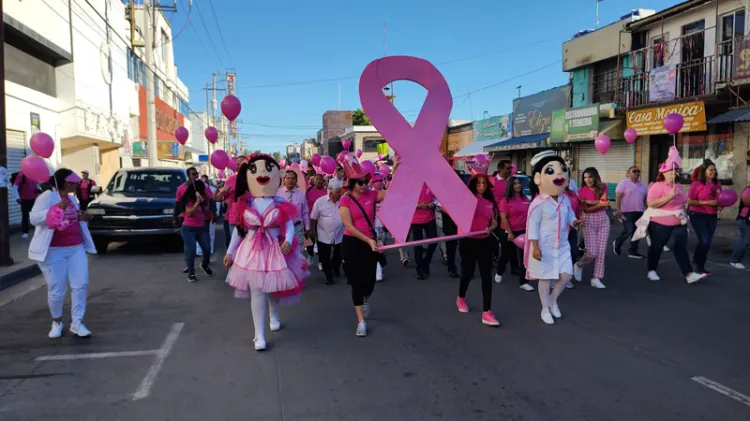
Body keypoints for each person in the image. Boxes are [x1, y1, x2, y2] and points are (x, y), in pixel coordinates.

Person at [224, 153, 308, 351]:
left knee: (272, 289)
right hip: (251, 251)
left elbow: (288, 224)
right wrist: (230, 251)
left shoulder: (279, 202)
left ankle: (274, 315)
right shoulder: (245, 203)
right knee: (257, 290)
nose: (262, 174)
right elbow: (239, 230)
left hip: (274, 250)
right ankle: (259, 335)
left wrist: (288, 239)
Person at [28, 169, 97, 338]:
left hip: (76, 248)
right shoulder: (47, 197)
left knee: (80, 284)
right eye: (74, 183)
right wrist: (52, 209)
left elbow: (71, 218)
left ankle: (77, 322)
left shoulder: (73, 199)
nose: (76, 185)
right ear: (66, 182)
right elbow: (33, 218)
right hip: (53, 250)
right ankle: (57, 322)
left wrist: (83, 217)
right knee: (57, 289)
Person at [632, 147, 707, 284]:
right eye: (671, 171)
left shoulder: (678, 186)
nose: (674, 173)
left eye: (675, 171)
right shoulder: (656, 186)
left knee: (680, 247)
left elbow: (681, 202)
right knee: (657, 247)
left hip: (678, 223)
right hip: (659, 224)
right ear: (663, 173)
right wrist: (668, 196)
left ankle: (689, 274)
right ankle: (652, 270)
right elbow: (651, 203)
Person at [524, 150, 583, 325]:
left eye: (562, 169)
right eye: (550, 171)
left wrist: (575, 222)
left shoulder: (565, 200)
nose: (558, 173)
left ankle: (552, 301)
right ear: (538, 179)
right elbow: (532, 227)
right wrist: (535, 248)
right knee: (546, 277)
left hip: (562, 244)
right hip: (544, 246)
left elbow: (570, 216)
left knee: (566, 276)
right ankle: (545, 308)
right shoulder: (538, 203)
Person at [338, 154, 387, 337]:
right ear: (351, 183)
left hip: (370, 244)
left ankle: (365, 299)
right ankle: (361, 322)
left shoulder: (372, 195)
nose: (364, 185)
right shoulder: (345, 200)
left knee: (370, 281)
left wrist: (396, 169)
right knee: (356, 282)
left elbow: (392, 192)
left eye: (365, 181)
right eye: (359, 182)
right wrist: (367, 240)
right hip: (353, 244)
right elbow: (348, 225)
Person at [455, 172, 500, 327]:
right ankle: (461, 297)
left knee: (486, 275)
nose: (481, 185)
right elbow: (457, 213)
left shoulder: (490, 202)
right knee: (468, 272)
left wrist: (490, 228)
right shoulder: (467, 199)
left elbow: (494, 222)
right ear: (474, 184)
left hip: (484, 241)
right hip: (468, 241)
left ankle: (487, 311)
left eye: (484, 183)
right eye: (478, 182)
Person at [574, 168, 610, 289]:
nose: (588, 180)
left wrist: (590, 202)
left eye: (590, 177)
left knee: (601, 252)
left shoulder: (603, 186)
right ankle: (579, 265)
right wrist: (598, 203)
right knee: (592, 252)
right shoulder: (581, 190)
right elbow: (586, 210)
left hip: (603, 220)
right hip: (588, 220)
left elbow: (604, 201)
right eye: (585, 177)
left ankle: (596, 278)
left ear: (595, 176)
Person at [498, 176, 533, 291]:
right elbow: (504, 218)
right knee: (506, 255)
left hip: (523, 231)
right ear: (510, 186)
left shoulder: (525, 198)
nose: (518, 185)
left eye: (519, 183)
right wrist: (510, 233)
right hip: (509, 231)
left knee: (524, 256)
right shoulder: (505, 201)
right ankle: (499, 272)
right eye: (515, 184)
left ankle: (523, 282)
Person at [687, 160, 722, 274]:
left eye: (715, 170)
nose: (714, 172)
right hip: (697, 215)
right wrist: (706, 203)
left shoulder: (717, 184)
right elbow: (690, 201)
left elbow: (720, 199)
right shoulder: (697, 184)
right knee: (704, 241)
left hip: (712, 216)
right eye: (711, 170)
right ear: (704, 171)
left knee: (706, 242)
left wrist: (721, 205)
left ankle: (700, 265)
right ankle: (697, 265)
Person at [311, 178, 345, 284]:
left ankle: (335, 268)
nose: (340, 194)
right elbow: (313, 218)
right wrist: (312, 230)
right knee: (324, 257)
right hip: (323, 233)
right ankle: (329, 277)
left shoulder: (344, 200)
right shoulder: (320, 202)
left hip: (340, 233)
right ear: (330, 191)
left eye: (341, 191)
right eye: (338, 192)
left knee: (339, 255)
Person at [179, 180, 214, 282]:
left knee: (207, 248)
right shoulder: (188, 199)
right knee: (192, 251)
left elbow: (206, 210)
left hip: (201, 228)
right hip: (189, 228)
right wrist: (197, 203)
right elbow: (189, 212)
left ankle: (204, 265)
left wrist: (206, 200)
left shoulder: (203, 198)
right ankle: (191, 273)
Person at [492, 160, 518, 283]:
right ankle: (497, 264)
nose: (510, 170)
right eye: (508, 168)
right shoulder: (493, 182)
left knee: (512, 243)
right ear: (500, 169)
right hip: (496, 217)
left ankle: (514, 268)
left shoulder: (512, 181)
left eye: (510, 168)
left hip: (511, 217)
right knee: (504, 242)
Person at [614, 166, 647, 258]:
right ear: (628, 173)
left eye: (638, 171)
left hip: (640, 211)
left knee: (638, 232)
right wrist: (618, 209)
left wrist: (649, 210)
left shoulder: (643, 185)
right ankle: (617, 242)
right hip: (626, 211)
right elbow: (618, 197)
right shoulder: (623, 183)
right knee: (629, 229)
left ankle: (633, 251)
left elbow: (645, 199)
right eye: (634, 171)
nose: (636, 173)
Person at [277, 170, 310, 251]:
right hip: (281, 228)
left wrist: (307, 227)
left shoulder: (301, 194)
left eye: (293, 178)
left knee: (298, 252)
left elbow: (305, 212)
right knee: (283, 253)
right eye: (288, 178)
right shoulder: (277, 193)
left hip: (297, 227)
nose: (290, 180)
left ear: (296, 180)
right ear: (284, 180)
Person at [410, 185, 438, 279]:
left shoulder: (430, 183)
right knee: (418, 245)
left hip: (429, 218)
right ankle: (419, 270)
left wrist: (433, 204)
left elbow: (438, 197)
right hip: (415, 219)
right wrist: (419, 205)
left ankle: (425, 262)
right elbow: (406, 201)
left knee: (434, 242)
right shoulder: (411, 184)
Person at [306, 173, 327, 265]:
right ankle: (310, 255)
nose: (318, 181)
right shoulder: (308, 190)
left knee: (321, 241)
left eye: (320, 179)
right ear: (314, 181)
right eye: (316, 179)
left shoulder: (327, 191)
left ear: (323, 181)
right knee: (310, 239)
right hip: (311, 219)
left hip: (323, 220)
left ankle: (321, 261)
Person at [13, 170, 40, 239]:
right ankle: (25, 232)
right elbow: (15, 187)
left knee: (35, 215)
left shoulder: (35, 175)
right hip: (24, 199)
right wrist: (17, 198)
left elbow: (37, 185)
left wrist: (39, 190)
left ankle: (37, 231)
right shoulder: (21, 175)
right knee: (25, 216)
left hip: (34, 199)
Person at [730, 185, 750, 269]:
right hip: (746, 220)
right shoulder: (749, 189)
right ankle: (735, 260)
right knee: (745, 240)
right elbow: (746, 201)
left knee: (745, 240)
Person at [197, 175, 217, 257]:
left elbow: (213, 201)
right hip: (197, 217)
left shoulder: (210, 190)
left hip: (207, 217)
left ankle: (209, 250)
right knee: (198, 234)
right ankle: (199, 251)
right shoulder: (194, 191)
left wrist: (213, 213)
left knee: (209, 233)